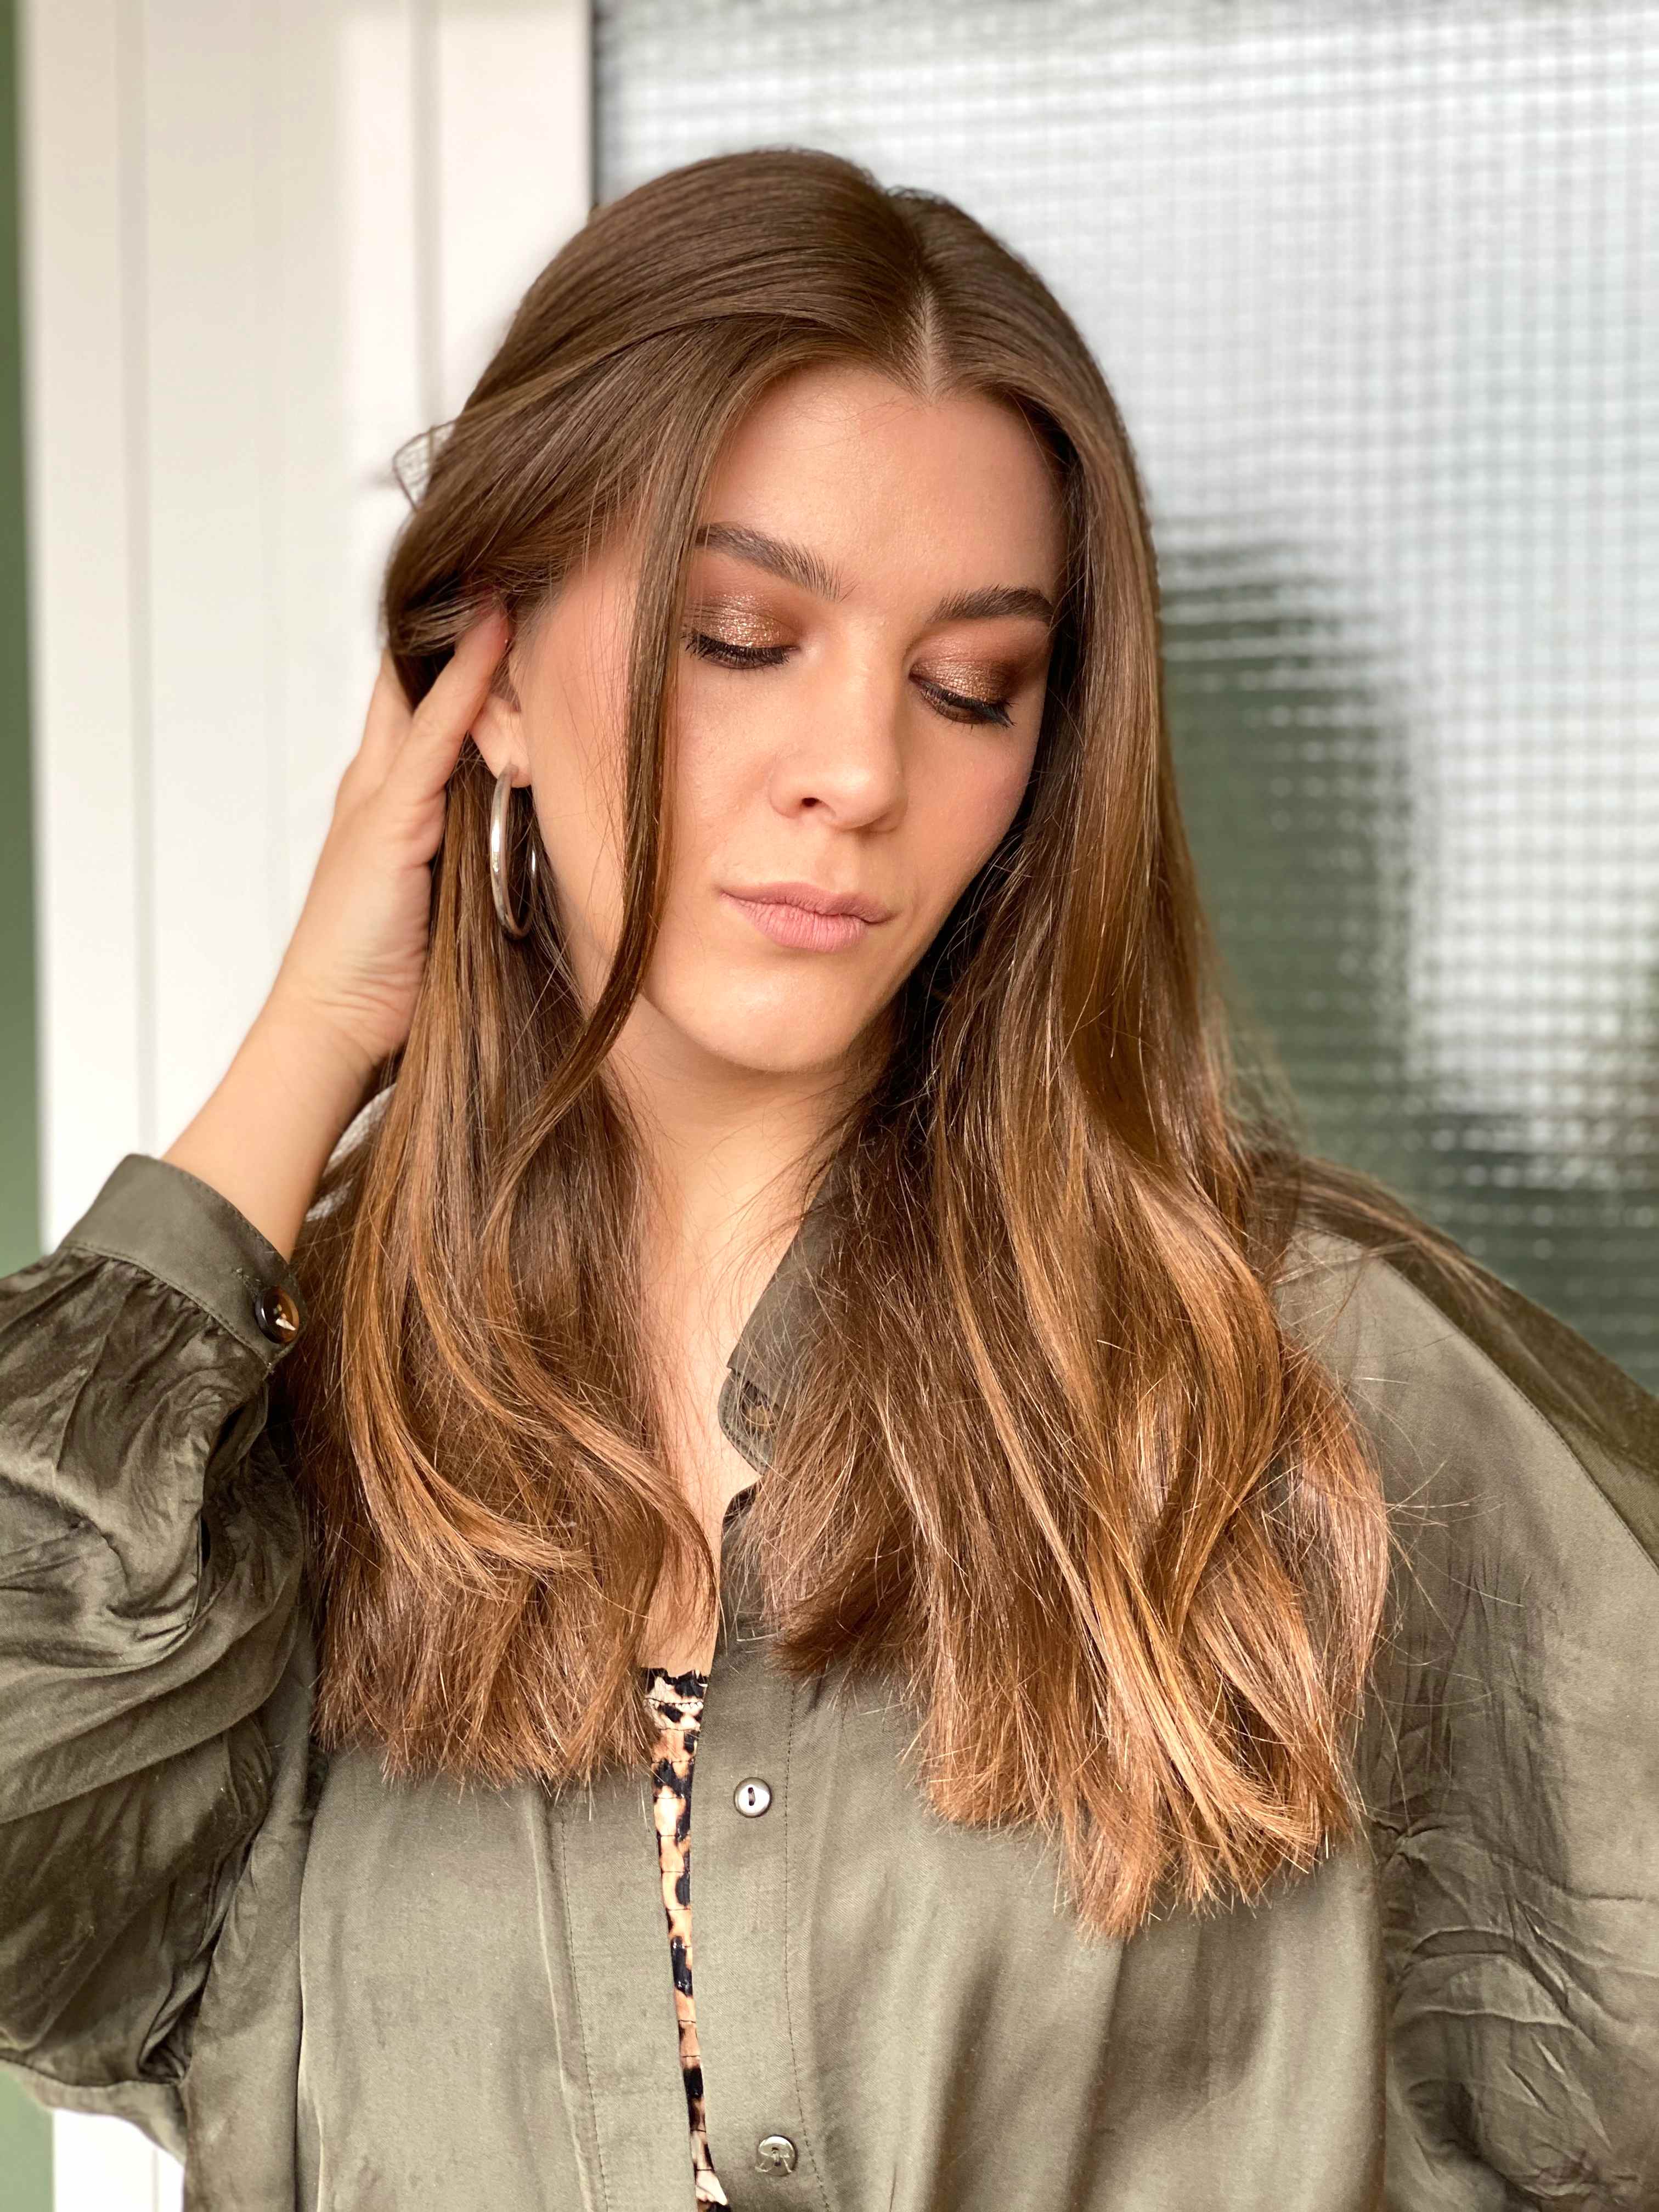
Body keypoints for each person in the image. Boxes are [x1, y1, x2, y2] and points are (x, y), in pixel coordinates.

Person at [1, 143, 1655, 2212]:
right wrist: (312, 1038)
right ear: (481, 678)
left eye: (972, 688)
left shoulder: (1305, 1385)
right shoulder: (259, 1470)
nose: (863, 771)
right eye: (742, 637)